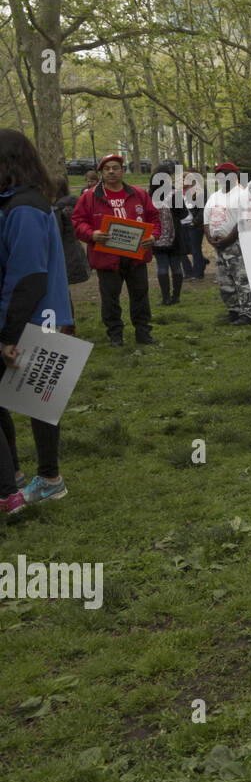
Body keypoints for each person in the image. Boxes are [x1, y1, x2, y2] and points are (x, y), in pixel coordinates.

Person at [0, 130, 74, 511]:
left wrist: (7, 334)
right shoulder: (18, 204)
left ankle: (47, 478)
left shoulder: (26, 208)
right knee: (27, 398)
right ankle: (13, 477)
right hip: (33, 315)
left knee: (39, 399)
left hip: (34, 316)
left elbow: (28, 276)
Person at [71, 153, 158, 347]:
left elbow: (154, 218)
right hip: (106, 257)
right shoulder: (89, 197)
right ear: (101, 172)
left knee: (140, 296)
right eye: (107, 169)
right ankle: (115, 335)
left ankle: (143, 332)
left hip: (136, 257)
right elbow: (77, 221)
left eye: (115, 168)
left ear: (123, 171)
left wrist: (153, 237)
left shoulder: (139, 194)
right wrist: (91, 234)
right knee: (110, 299)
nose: (111, 171)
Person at [203, 163, 251, 325]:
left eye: (227, 175)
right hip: (218, 245)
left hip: (236, 244)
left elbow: (243, 220)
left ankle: (247, 314)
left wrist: (228, 239)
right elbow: (206, 219)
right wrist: (210, 239)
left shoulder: (243, 195)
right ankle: (233, 310)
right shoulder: (214, 196)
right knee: (224, 280)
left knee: (241, 279)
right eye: (220, 175)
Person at [148, 163, 185, 305]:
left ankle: (165, 298)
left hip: (156, 235)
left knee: (161, 266)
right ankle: (176, 297)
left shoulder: (149, 194)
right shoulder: (175, 194)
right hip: (175, 235)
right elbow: (183, 214)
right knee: (176, 266)